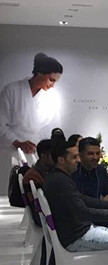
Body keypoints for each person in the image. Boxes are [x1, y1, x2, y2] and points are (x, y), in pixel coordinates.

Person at [43, 138, 108, 252]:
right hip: (77, 237)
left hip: (77, 231)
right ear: (61, 160)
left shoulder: (57, 177)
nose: (78, 160)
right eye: (74, 157)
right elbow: (83, 213)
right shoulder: (60, 181)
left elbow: (82, 198)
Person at [0, 53, 62, 185]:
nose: (52, 85)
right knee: (9, 187)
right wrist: (17, 142)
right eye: (51, 80)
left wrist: (48, 152)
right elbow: (0, 125)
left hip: (36, 154)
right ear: (39, 73)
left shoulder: (52, 97)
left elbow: (52, 128)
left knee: (33, 189)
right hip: (10, 151)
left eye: (55, 81)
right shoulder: (12, 90)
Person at [23, 139, 54, 265]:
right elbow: (43, 204)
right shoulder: (33, 176)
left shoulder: (44, 172)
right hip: (42, 217)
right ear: (43, 156)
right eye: (54, 155)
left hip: (44, 214)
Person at [71, 137, 108, 202]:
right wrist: (100, 205)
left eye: (97, 153)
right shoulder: (72, 172)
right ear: (80, 155)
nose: (95, 157)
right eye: (90, 154)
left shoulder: (101, 170)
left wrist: (103, 204)